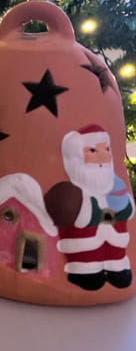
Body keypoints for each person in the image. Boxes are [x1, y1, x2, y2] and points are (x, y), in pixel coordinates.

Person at [44, 124, 134, 291]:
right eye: (92, 151)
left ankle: (117, 267)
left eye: (107, 149)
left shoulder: (117, 189)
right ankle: (86, 272)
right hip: (83, 252)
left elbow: (127, 212)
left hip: (117, 250)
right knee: (89, 275)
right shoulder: (78, 194)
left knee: (120, 272)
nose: (103, 157)